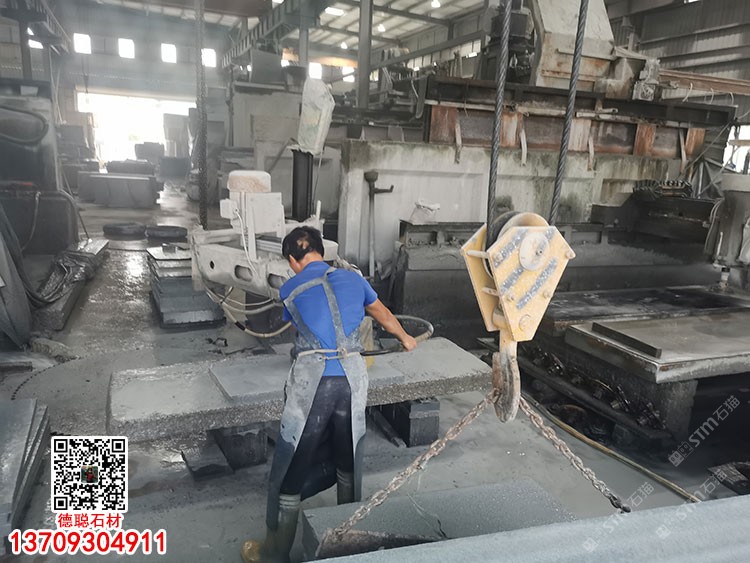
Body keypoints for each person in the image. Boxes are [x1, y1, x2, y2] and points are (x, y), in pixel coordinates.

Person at [242, 226, 417, 563]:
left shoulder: (290, 289)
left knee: (291, 463)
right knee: (349, 460)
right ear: (322, 252)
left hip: (314, 386)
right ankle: (347, 549)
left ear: (293, 259)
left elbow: (306, 323)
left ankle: (274, 553)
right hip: (352, 380)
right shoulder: (354, 279)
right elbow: (382, 313)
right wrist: (406, 338)